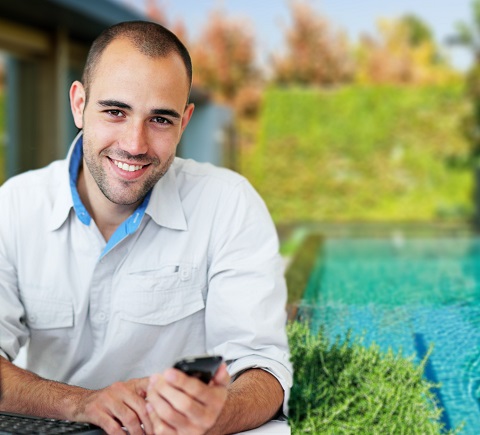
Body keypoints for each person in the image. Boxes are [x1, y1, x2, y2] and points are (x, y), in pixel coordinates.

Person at [0, 20, 292, 435]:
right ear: (79, 104)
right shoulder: (13, 207)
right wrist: (82, 403)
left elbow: (263, 368)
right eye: (115, 112)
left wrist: (211, 416)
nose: (134, 144)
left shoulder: (229, 204)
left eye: (159, 120)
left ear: (184, 122)